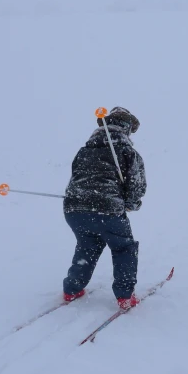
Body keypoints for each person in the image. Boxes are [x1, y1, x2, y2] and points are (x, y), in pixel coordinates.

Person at [62, 107, 146, 309]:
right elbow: (136, 185)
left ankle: (72, 289)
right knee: (123, 247)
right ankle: (125, 296)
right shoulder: (127, 152)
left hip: (74, 208)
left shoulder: (84, 150)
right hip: (108, 210)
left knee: (87, 245)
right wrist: (130, 204)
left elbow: (75, 177)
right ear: (126, 128)